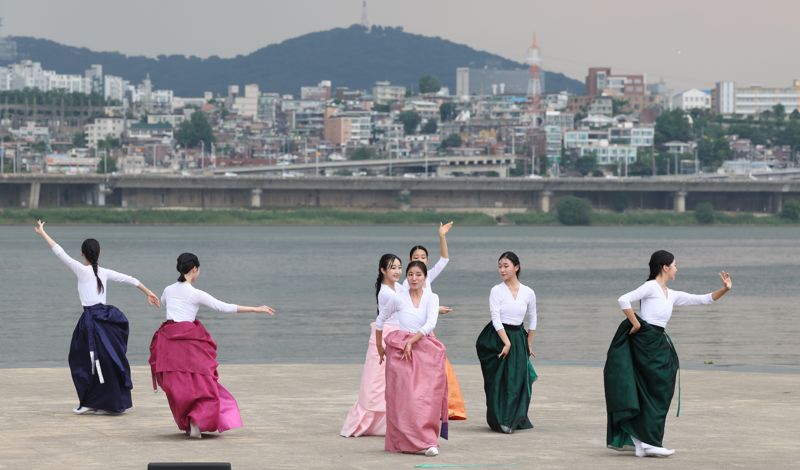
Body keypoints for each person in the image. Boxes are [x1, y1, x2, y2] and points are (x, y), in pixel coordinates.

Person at [604, 250, 732, 458]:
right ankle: (648, 441)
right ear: (664, 267)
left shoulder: (670, 294)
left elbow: (704, 300)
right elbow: (623, 300)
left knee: (660, 389)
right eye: (674, 265)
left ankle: (643, 441)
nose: (676, 269)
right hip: (645, 342)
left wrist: (725, 289)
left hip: (658, 342)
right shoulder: (650, 287)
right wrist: (636, 323)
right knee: (655, 389)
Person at [34, 219, 160, 415]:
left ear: (82, 253)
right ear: (99, 253)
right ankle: (96, 402)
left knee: (83, 360)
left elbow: (59, 251)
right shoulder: (104, 272)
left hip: (93, 322)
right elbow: (131, 279)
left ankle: (99, 403)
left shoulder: (81, 270)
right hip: (105, 319)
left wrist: (42, 233)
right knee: (104, 360)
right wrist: (148, 292)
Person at [149, 252, 275, 439]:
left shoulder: (168, 289)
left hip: (168, 342)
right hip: (188, 342)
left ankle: (191, 419)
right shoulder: (195, 293)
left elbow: (165, 303)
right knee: (201, 383)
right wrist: (255, 309)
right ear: (194, 269)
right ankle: (195, 419)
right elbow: (223, 307)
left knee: (178, 385)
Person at [376, 261, 448, 457]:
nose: (414, 278)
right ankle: (407, 442)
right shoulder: (399, 298)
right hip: (401, 351)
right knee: (403, 399)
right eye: (410, 274)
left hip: (424, 348)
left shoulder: (432, 298)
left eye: (418, 274)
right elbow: (380, 320)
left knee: (426, 398)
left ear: (425, 277)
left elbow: (430, 322)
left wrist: (412, 341)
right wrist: (379, 346)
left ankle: (427, 440)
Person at [404, 222, 467, 421]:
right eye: (416, 258)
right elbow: (410, 307)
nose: (420, 260)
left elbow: (445, 260)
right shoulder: (409, 281)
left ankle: (443, 406)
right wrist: (436, 309)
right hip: (414, 332)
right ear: (410, 260)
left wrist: (441, 236)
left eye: (423, 257)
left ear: (427, 260)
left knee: (439, 368)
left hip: (427, 330)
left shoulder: (427, 277)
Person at [340, 254, 404, 437]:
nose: (397, 271)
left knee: (391, 382)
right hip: (385, 336)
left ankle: (388, 423)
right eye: (392, 267)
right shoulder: (386, 292)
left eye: (399, 267)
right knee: (376, 382)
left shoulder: (398, 287)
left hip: (397, 335)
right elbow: (403, 307)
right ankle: (368, 424)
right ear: (382, 270)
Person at [476, 251, 538, 434]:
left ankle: (514, 418)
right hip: (497, 337)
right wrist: (506, 342)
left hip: (518, 336)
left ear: (516, 267)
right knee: (498, 381)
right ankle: (500, 420)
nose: (502, 270)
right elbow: (495, 318)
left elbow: (533, 318)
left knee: (517, 380)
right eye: (500, 266)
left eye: (506, 266)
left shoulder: (528, 292)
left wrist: (529, 343)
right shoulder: (496, 290)